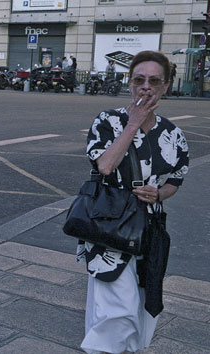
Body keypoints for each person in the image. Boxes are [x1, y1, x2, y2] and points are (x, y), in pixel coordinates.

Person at [78, 50, 189, 354]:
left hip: (148, 226)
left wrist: (159, 193)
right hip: (108, 222)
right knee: (117, 306)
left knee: (141, 300)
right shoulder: (107, 121)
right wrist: (133, 124)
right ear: (129, 82)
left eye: (154, 81)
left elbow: (175, 180)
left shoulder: (173, 134)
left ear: (166, 85)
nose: (146, 87)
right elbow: (104, 165)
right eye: (139, 80)